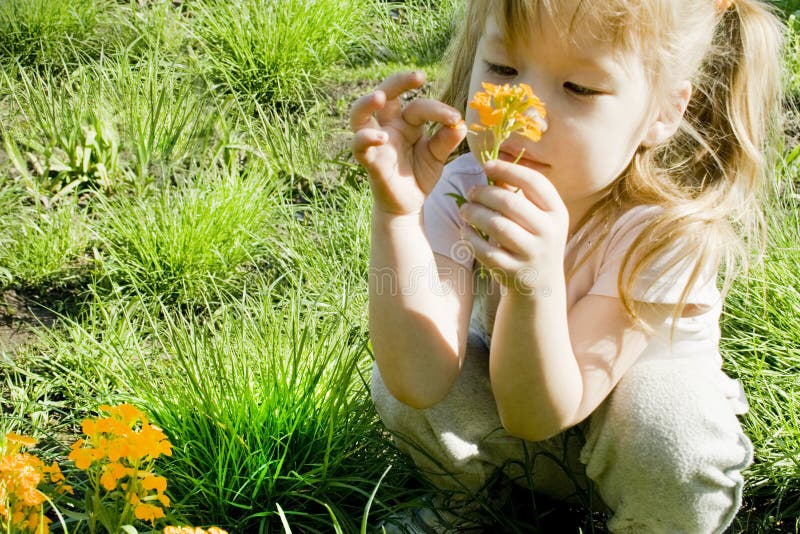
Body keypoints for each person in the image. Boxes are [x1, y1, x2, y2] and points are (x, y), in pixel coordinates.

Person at [350, 0, 783, 531]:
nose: (527, 112)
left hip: (640, 460)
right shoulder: (466, 186)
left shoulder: (664, 232)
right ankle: (474, 504)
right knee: (400, 355)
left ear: (663, 113)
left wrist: (535, 288)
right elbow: (417, 380)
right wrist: (397, 215)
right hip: (517, 428)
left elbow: (541, 415)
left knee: (668, 426)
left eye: (580, 89)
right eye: (503, 70)